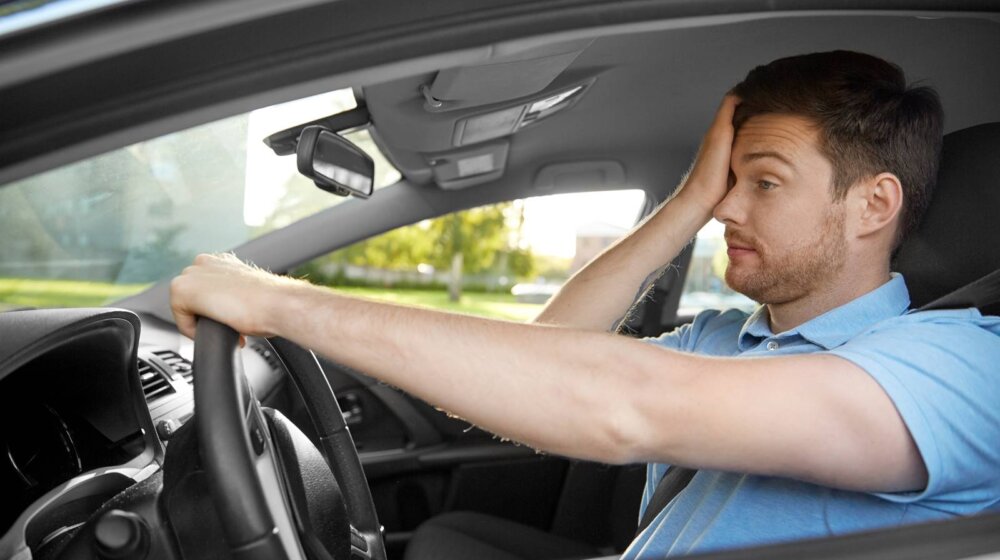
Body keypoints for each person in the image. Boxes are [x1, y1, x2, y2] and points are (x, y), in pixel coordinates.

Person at [170, 51, 1000, 557]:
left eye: (765, 183)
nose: (726, 207)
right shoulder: (726, 341)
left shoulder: (962, 367)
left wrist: (275, 301)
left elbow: (616, 403)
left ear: (873, 205)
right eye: (726, 181)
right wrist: (685, 200)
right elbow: (543, 361)